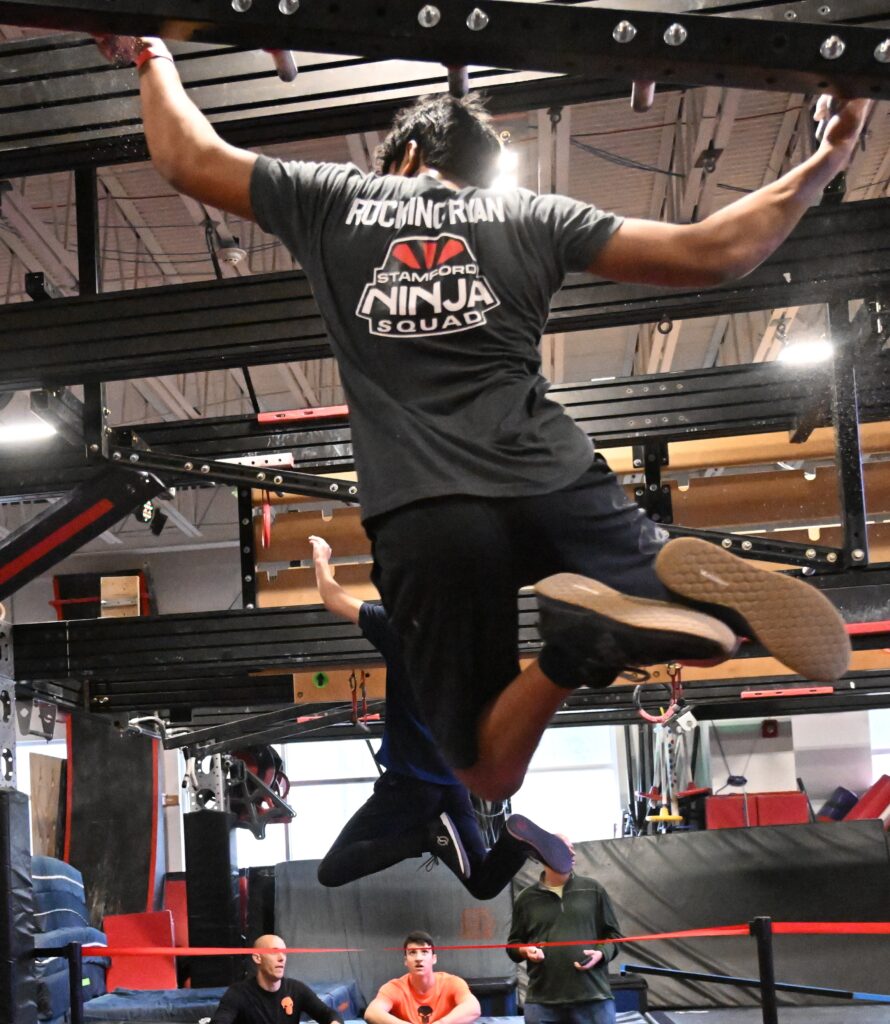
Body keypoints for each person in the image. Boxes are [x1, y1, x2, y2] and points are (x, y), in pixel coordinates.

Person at [96, 33, 861, 801]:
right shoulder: (530, 214)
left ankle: (578, 651)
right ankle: (661, 586)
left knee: (486, 773)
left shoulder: (332, 198)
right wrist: (826, 155)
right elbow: (711, 252)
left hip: (429, 515)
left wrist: (150, 54)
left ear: (405, 154)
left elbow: (185, 155)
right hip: (552, 480)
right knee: (709, 623)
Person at [309, 534, 574, 896]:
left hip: (409, 788)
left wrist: (322, 561)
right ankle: (514, 841)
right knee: (482, 884)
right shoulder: (483, 646)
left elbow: (332, 598)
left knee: (333, 870)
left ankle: (426, 837)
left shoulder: (399, 629)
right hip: (454, 785)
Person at [507, 837, 621, 1024]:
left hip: (593, 998)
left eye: (573, 848)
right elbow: (513, 946)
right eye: (566, 848)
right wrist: (525, 951)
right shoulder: (525, 899)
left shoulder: (593, 890)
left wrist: (601, 954)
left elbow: (614, 936)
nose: (573, 853)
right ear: (545, 853)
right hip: (542, 1002)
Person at [210, 934, 345, 1024]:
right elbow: (220, 1021)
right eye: (274, 952)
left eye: (284, 953)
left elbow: (328, 1014)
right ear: (257, 958)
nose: (282, 958)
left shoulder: (297, 990)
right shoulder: (238, 993)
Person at [365, 930, 480, 1024]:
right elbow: (372, 1012)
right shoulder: (395, 988)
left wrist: (441, 1023)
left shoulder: (452, 983)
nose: (418, 958)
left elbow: (473, 1008)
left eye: (424, 952)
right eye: (412, 952)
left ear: (434, 958)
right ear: (406, 960)